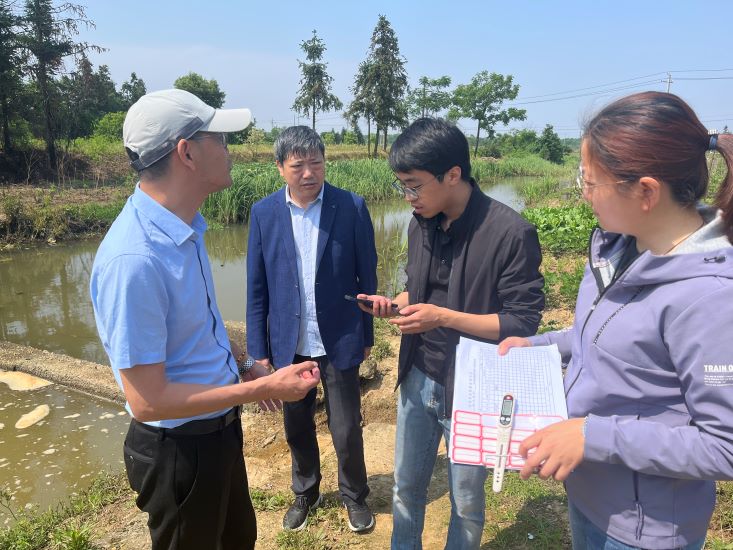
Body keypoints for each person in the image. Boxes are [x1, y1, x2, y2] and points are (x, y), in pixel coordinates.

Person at [499, 91, 733, 550]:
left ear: (645, 191)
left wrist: (592, 435)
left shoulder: (709, 299)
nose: (583, 193)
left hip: (645, 529)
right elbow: (600, 335)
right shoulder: (621, 248)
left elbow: (724, 445)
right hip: (591, 492)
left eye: (590, 181)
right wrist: (542, 345)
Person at [90, 89, 321, 550]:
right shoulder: (135, 259)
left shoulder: (185, 228)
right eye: (220, 139)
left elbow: (198, 327)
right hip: (179, 451)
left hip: (217, 431)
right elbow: (148, 401)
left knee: (238, 539)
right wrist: (263, 389)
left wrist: (243, 363)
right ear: (187, 152)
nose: (230, 151)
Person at [361, 117, 545, 550]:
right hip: (419, 374)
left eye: (415, 185)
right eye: (402, 187)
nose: (408, 197)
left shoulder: (510, 233)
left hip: (473, 387)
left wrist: (442, 317)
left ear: (453, 175)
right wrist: (396, 303)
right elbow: (420, 289)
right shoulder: (420, 222)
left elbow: (522, 321)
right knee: (406, 488)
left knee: (466, 501)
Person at [246, 126, 378, 533]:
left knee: (345, 426)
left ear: (325, 162)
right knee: (297, 425)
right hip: (290, 343)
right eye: (298, 165)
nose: (308, 173)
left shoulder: (350, 206)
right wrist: (258, 352)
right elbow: (256, 287)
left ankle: (355, 495)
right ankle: (306, 491)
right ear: (280, 169)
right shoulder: (264, 213)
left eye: (316, 162)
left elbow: (366, 277)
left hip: (338, 337)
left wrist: (366, 336)